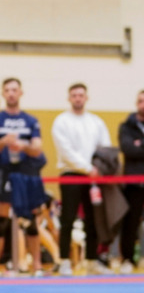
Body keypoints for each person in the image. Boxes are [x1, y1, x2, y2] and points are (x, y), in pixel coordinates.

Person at [0, 78, 46, 275]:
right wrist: (4, 142)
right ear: (3, 93)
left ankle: (37, 265)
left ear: (20, 93)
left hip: (27, 173)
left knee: (31, 220)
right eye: (7, 90)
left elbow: (37, 148)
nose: (11, 93)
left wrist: (23, 146)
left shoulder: (31, 120)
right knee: (1, 220)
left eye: (14, 90)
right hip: (5, 172)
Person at [51, 83, 111, 275]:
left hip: (93, 176)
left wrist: (98, 168)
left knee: (93, 219)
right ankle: (64, 260)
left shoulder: (96, 122)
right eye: (74, 95)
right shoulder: (61, 121)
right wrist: (86, 168)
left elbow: (105, 147)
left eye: (81, 95)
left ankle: (92, 259)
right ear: (69, 98)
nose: (78, 98)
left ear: (86, 97)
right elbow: (65, 150)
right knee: (68, 218)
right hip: (71, 174)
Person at [117, 90, 144, 274]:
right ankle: (127, 258)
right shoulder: (126, 126)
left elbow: (136, 149)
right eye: (141, 101)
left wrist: (139, 145)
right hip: (134, 182)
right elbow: (127, 149)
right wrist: (134, 147)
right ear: (137, 103)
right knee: (131, 222)